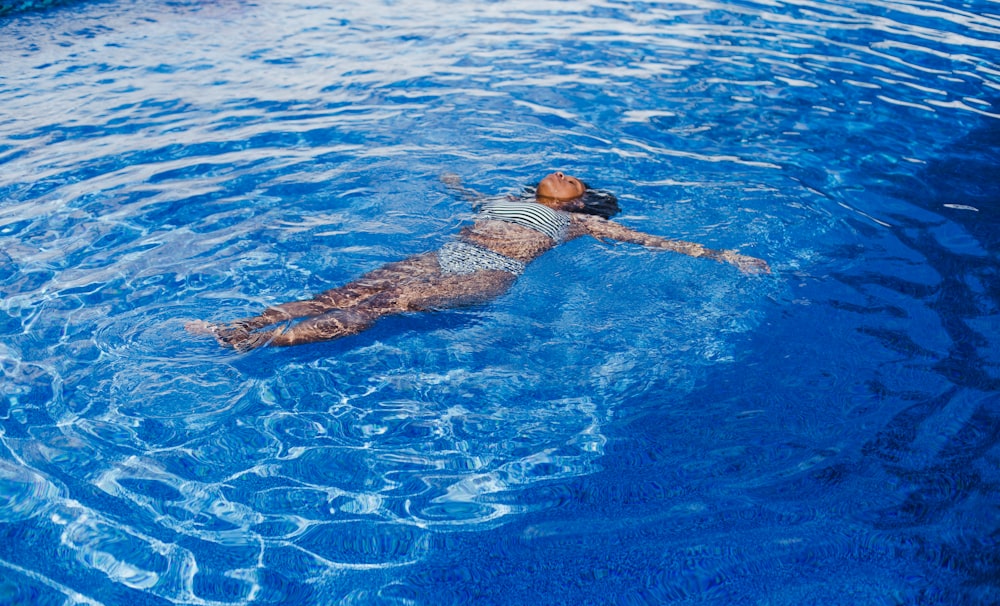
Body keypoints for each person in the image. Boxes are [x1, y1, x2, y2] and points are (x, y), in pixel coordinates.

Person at [186, 171, 770, 350]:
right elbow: (471, 200)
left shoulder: (584, 221)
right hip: (442, 254)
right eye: (561, 170)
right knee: (335, 296)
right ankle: (236, 327)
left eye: (575, 179)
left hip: (490, 272)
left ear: (584, 202)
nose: (564, 173)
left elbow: (654, 242)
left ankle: (259, 343)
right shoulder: (505, 200)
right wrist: (455, 184)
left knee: (386, 304)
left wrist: (724, 254)